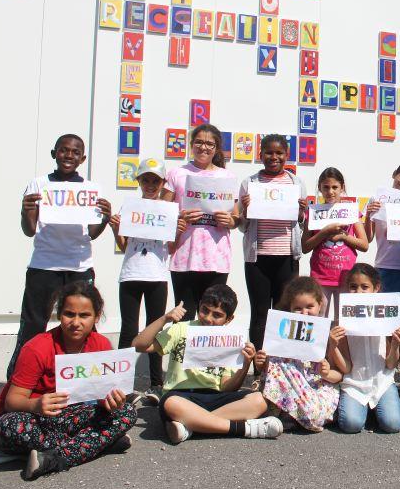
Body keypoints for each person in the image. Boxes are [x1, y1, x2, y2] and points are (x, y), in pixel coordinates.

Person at [0, 281, 135, 481]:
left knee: (126, 411)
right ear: (59, 315)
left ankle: (54, 459)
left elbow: (101, 397)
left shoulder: (101, 344)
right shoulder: (37, 347)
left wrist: (111, 402)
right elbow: (12, 401)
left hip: (69, 417)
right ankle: (96, 442)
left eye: (84, 315)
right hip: (32, 419)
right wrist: (35, 404)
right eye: (69, 314)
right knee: (11, 427)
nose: (76, 322)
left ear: (96, 316)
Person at [8, 133, 112, 378]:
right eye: (64, 150)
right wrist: (26, 211)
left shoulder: (89, 189)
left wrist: (106, 218)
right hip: (44, 265)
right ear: (54, 153)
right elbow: (29, 230)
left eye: (75, 152)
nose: (69, 155)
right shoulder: (39, 184)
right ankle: (21, 379)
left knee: (84, 324)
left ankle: (85, 380)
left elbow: (92, 233)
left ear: (83, 158)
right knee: (34, 324)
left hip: (79, 265)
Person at [132, 284, 282, 444]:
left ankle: (190, 426)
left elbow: (228, 388)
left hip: (216, 396)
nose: (208, 318)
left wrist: (246, 364)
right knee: (170, 403)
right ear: (198, 307)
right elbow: (139, 345)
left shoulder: (233, 339)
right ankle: (243, 428)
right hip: (182, 396)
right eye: (205, 310)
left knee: (259, 400)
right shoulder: (181, 329)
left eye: (217, 315)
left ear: (229, 319)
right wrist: (165, 319)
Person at [109, 158, 186, 404]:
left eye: (156, 180)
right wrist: (115, 228)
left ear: (163, 183)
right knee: (128, 330)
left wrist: (179, 231)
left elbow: (172, 248)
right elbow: (123, 246)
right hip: (131, 274)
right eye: (146, 180)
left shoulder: (169, 210)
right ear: (139, 182)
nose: (150, 184)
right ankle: (122, 385)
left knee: (157, 332)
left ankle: (156, 384)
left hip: (157, 276)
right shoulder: (129, 207)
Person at [162, 124, 240, 319]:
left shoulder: (227, 177)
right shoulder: (176, 173)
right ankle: (181, 351)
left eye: (209, 144)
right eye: (199, 142)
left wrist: (230, 220)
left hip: (217, 257)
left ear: (217, 148)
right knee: (183, 318)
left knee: (213, 316)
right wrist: (179, 217)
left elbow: (237, 218)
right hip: (184, 255)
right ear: (191, 144)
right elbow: (162, 211)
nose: (204, 147)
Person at [239, 134, 307, 350]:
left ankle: (281, 367)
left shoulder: (296, 183)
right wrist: (247, 210)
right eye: (269, 152)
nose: (274, 157)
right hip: (257, 259)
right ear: (260, 155)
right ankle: (259, 370)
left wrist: (301, 213)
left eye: (279, 153)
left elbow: (300, 223)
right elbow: (242, 225)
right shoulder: (249, 183)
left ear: (287, 155)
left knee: (284, 312)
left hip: (287, 258)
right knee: (259, 313)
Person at [258, 277, 343, 432]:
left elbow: (339, 375)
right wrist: (261, 362)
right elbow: (270, 371)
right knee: (278, 361)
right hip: (288, 388)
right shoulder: (281, 332)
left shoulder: (327, 333)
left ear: (320, 305)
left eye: (310, 306)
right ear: (289, 308)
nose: (305, 312)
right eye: (298, 308)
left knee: (315, 411)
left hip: (316, 389)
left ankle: (292, 415)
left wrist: (326, 372)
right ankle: (293, 415)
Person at [333, 264, 400, 434]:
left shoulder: (387, 317)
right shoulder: (342, 322)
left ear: (376, 288)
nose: (358, 292)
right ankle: (366, 410)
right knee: (351, 424)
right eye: (353, 287)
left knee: (393, 424)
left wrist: (395, 343)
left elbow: (390, 364)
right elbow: (346, 367)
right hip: (354, 384)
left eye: (365, 287)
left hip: (382, 383)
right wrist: (333, 344)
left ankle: (376, 409)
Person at [301, 167, 368, 319]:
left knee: (343, 321)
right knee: (319, 318)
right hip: (320, 276)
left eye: (334, 187)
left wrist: (344, 237)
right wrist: (325, 232)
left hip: (347, 277)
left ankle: (339, 344)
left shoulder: (351, 212)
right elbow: (305, 247)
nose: (330, 191)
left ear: (342, 187)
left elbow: (364, 245)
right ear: (319, 188)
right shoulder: (312, 212)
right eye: (326, 187)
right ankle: (323, 344)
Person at [364, 162, 400, 310]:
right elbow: (368, 238)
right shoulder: (376, 200)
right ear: (394, 174)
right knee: (382, 313)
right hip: (383, 265)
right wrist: (368, 214)